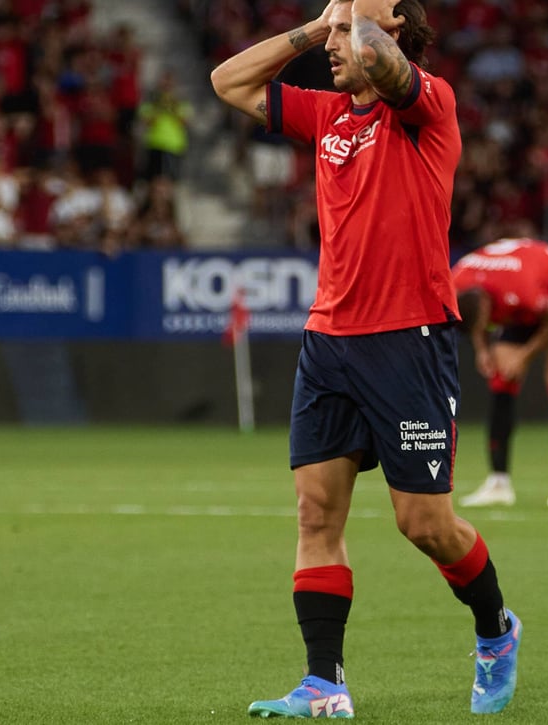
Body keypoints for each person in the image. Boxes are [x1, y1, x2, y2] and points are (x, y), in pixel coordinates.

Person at [210, 0, 521, 718]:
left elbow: (388, 67)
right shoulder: (326, 115)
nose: (339, 44)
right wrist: (317, 27)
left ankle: (495, 629)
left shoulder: (428, 106)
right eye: (338, 29)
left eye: (354, 29)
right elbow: (228, 81)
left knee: (425, 524)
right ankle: (325, 682)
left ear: (397, 34)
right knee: (314, 513)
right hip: (328, 340)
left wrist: (365, 23)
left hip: (409, 341)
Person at [452, 236, 548, 510]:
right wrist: (481, 350)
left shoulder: (521, 290)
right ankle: (498, 483)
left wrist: (524, 357)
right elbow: (475, 322)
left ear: (491, 306)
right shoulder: (457, 282)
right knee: (502, 381)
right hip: (514, 302)